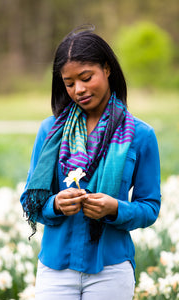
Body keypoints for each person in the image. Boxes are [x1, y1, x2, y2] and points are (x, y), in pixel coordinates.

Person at [20, 25, 161, 300]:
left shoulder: (141, 135)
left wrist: (115, 209)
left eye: (86, 77)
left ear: (107, 69)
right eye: (69, 83)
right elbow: (30, 200)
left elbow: (150, 207)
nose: (79, 90)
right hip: (55, 269)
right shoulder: (50, 132)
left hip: (111, 268)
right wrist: (56, 204)